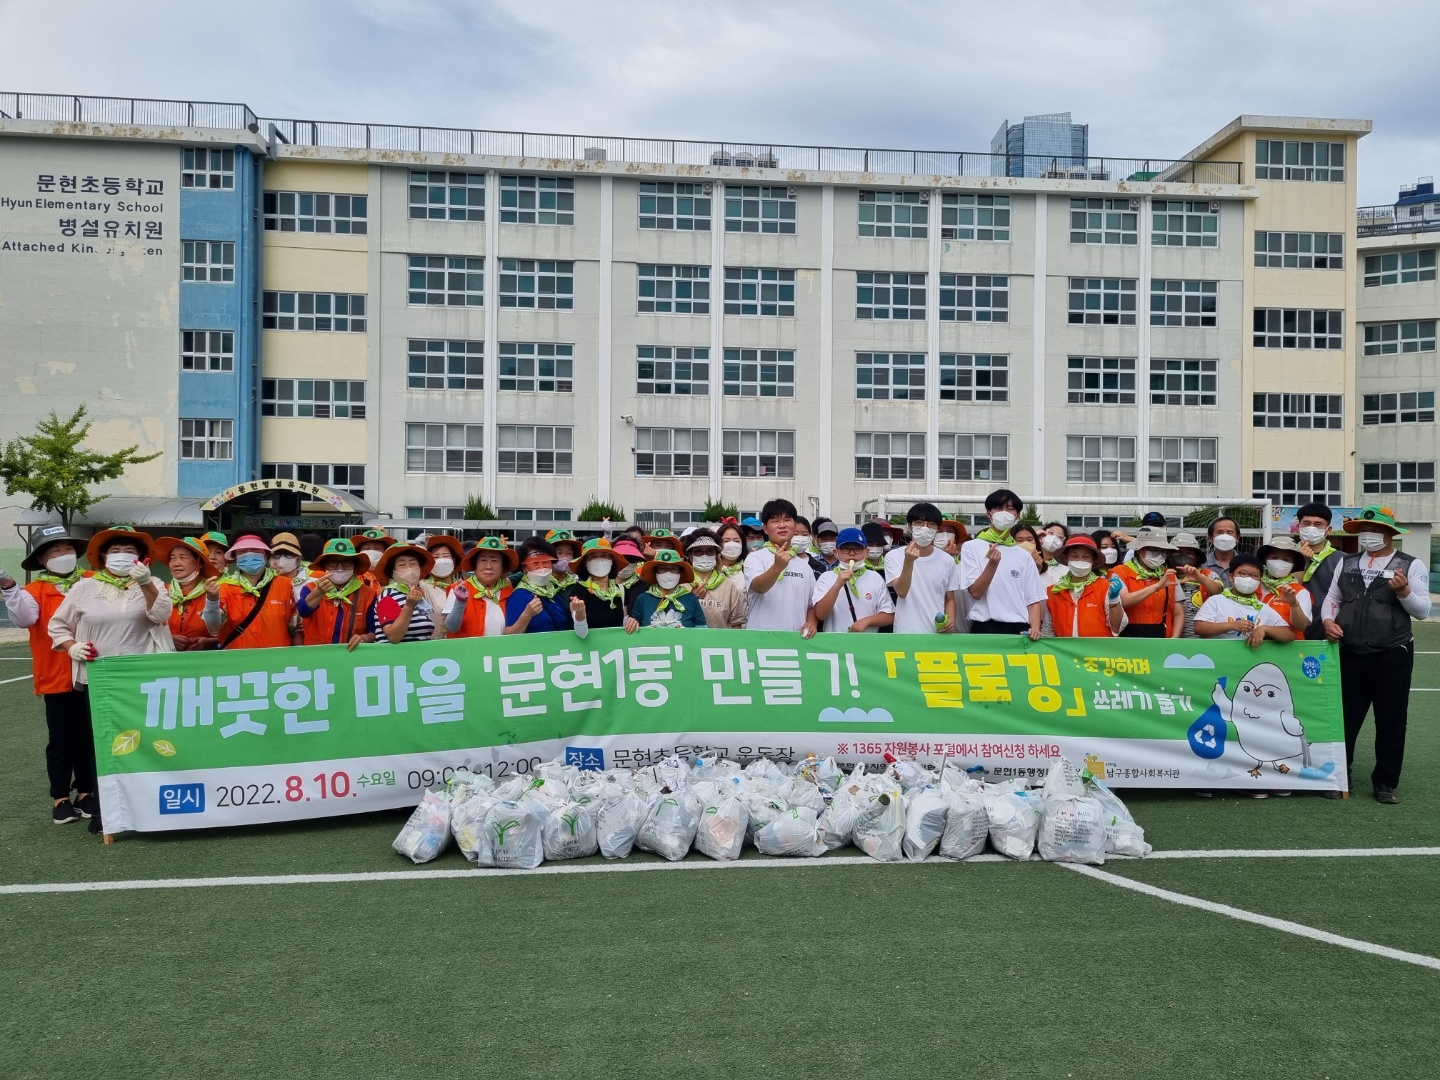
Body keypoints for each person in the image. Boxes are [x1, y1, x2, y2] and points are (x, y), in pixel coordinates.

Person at [48, 526, 174, 833]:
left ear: (140, 557)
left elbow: (160, 615)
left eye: (128, 550)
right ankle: (107, 813)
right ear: (103, 556)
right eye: (115, 550)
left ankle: (148, 807)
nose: (121, 556)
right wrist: (72, 646)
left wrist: (146, 584)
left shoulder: (153, 582)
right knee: (103, 746)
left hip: (142, 678)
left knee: (146, 742)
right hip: (100, 678)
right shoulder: (84, 587)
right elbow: (57, 625)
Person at [1322, 505, 1432, 805]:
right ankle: (1339, 777)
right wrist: (1328, 621)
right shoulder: (1347, 563)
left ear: (1389, 535)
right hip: (1351, 651)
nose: (1367, 535)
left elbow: (1423, 611)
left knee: (1391, 720)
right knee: (1344, 717)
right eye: (1362, 531)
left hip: (1392, 653)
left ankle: (1385, 782)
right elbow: (1333, 598)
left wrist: (1404, 592)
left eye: (1375, 531)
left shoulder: (1411, 565)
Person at [1, 524, 97, 825]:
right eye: (55, 550)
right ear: (42, 560)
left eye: (67, 549)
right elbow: (24, 618)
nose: (64, 554)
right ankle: (59, 797)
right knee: (61, 740)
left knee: (90, 737)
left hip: (94, 673)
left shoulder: (94, 581)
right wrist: (9, 587)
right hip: (56, 676)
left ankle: (86, 793)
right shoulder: (33, 591)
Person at [960, 489, 1045, 638]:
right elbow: (975, 592)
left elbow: (1033, 599)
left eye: (1010, 508)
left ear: (1017, 515)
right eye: (998, 508)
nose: (1004, 512)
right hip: (985, 627)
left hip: (1019, 628)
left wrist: (1035, 628)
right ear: (989, 513)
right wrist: (992, 564)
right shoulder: (971, 547)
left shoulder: (1023, 555)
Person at [203, 534, 297, 649]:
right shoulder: (224, 587)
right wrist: (212, 600)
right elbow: (214, 626)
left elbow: (294, 627)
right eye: (242, 551)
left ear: (266, 555)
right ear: (235, 557)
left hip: (276, 662)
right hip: (238, 662)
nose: (249, 554)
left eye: (255, 550)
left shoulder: (285, 585)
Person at [743, 499, 818, 637]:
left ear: (795, 525)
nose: (782, 525)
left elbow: (811, 605)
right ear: (765, 528)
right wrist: (777, 567)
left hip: (795, 641)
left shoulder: (804, 566)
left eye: (787, 520)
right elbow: (758, 587)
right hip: (760, 639)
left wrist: (811, 623)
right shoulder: (755, 558)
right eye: (775, 521)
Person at [886, 502, 960, 635]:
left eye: (931, 524)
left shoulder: (947, 560)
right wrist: (908, 562)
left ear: (937, 529)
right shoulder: (894, 556)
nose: (925, 528)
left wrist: (951, 619)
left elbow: (949, 598)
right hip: (906, 632)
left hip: (938, 633)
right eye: (919, 523)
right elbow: (902, 592)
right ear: (909, 526)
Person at [1194, 554, 1294, 647]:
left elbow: (1288, 635)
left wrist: (1265, 629)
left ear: (1260, 580)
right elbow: (1199, 628)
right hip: (1219, 657)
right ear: (1231, 577)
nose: (1249, 579)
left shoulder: (1262, 608)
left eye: (1254, 576)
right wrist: (1232, 625)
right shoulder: (1216, 601)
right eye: (1243, 574)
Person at [297, 539, 378, 648]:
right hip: (316, 657)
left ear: (354, 566)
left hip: (351, 656)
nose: (340, 567)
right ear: (324, 565)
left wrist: (364, 638)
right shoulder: (310, 588)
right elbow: (303, 611)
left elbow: (374, 631)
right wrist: (319, 592)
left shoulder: (369, 594)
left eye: (346, 562)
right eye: (333, 562)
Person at [813, 527, 895, 633]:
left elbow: (889, 616)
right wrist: (837, 585)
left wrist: (867, 621)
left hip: (866, 644)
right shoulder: (826, 577)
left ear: (866, 552)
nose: (852, 553)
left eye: (857, 548)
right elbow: (820, 614)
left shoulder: (875, 578)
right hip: (834, 643)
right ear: (836, 552)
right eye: (845, 549)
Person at [1111, 526, 1183, 638]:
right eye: (1154, 550)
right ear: (1139, 549)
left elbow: (1178, 613)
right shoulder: (1120, 571)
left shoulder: (1169, 574)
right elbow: (1124, 600)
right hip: (1126, 638)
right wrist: (1157, 586)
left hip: (1161, 637)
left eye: (1163, 551)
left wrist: (1174, 640)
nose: (1159, 555)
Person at [1045, 536, 1124, 637]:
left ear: (1093, 560)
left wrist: (1114, 599)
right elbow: (1047, 631)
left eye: (1086, 557)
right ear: (1066, 558)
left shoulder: (1106, 587)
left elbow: (1117, 627)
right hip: (1064, 651)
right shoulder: (1053, 591)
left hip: (1098, 651)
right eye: (1074, 556)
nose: (1080, 560)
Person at [153, 535, 220, 651]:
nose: (176, 563)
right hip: (166, 663)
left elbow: (230, 630)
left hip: (206, 663)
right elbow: (145, 629)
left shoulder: (214, 592)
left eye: (183, 557)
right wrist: (168, 638)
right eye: (173, 558)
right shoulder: (161, 592)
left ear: (200, 562)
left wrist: (211, 641)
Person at [444, 537, 517, 639]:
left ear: (503, 567)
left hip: (499, 653)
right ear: (475, 565)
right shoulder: (459, 589)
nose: (488, 566)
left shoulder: (510, 593)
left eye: (494, 561)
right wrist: (460, 602)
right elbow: (451, 627)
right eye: (483, 560)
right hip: (466, 653)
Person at [506, 538, 577, 635]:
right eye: (535, 563)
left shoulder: (553, 592)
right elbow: (509, 636)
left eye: (545, 562)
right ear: (524, 568)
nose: (541, 567)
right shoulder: (520, 595)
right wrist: (527, 615)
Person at [374, 544, 440, 643]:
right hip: (395, 657)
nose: (409, 568)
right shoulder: (388, 595)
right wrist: (409, 606)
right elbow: (393, 636)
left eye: (413, 563)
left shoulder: (416, 594)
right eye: (401, 565)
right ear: (392, 572)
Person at [626, 549, 706, 631]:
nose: (668, 573)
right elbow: (634, 625)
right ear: (655, 573)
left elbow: (702, 630)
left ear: (680, 573)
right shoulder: (643, 599)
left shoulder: (691, 599)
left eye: (673, 569)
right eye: (662, 569)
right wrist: (633, 621)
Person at [1295, 501, 1341, 641]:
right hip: (1289, 632)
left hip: (1327, 633)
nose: (1311, 528)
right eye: (1306, 523)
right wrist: (1300, 561)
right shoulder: (1284, 557)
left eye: (1318, 524)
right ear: (1299, 527)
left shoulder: (1342, 560)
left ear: (1328, 530)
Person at [686, 529, 746, 629]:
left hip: (721, 643)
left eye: (709, 551)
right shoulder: (682, 583)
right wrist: (691, 599)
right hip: (688, 643)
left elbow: (736, 623)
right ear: (690, 556)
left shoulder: (728, 585)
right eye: (698, 552)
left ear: (716, 555)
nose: (704, 555)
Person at [1256, 534, 1312, 636]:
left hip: (1289, 649)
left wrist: (1294, 604)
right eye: (1274, 557)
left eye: (1286, 559)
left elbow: (1301, 626)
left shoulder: (1299, 591)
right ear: (1265, 559)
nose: (1279, 562)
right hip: (1253, 646)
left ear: (1293, 564)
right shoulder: (1253, 584)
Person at [570, 538, 630, 629]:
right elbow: (581, 632)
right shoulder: (578, 592)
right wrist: (580, 614)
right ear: (585, 563)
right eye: (593, 557)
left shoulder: (621, 590)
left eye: (604, 555)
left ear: (611, 561)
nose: (599, 560)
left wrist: (632, 622)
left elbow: (624, 626)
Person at [1167, 531, 1208, 639]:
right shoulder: (1163, 575)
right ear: (1169, 555)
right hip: (1169, 638)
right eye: (1177, 552)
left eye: (1189, 553)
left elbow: (1217, 590)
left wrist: (1200, 578)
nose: (1183, 557)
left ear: (1197, 557)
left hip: (1201, 639)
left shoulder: (1207, 574)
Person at [1202, 517, 1242, 588]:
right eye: (1220, 532)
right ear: (1210, 538)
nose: (1225, 536)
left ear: (1237, 538)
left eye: (1230, 532)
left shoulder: (1246, 564)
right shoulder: (1201, 564)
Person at [267, 532, 305, 599]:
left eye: (288, 554)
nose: (281, 559)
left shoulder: (312, 583)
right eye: (277, 554)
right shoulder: (261, 584)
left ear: (298, 560)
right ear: (269, 558)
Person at [1038, 522, 1069, 588]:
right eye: (1051, 533)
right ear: (1041, 535)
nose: (1054, 538)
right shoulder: (1031, 559)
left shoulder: (1067, 567)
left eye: (1060, 537)